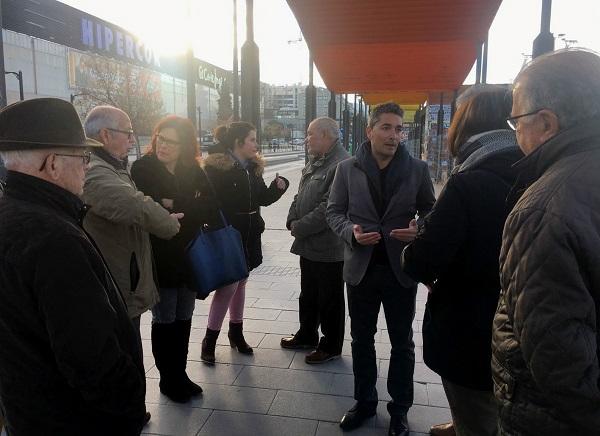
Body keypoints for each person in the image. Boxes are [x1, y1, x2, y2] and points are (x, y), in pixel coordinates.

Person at [0, 98, 147, 435]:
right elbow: (90, 359)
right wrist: (128, 407)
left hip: (29, 409)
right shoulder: (54, 239)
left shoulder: (11, 214)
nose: (87, 166)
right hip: (73, 419)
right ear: (52, 164)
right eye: (82, 157)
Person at [401, 86, 523, 436]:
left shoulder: (468, 181)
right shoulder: (534, 170)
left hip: (469, 321)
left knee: (476, 408)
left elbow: (421, 262)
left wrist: (419, 238)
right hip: (520, 316)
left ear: (465, 124)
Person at [492, 49, 600, 435]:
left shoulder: (542, 208)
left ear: (547, 124)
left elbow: (557, 357)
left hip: (548, 418)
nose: (515, 131)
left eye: (516, 121)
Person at [327, 102, 435, 436]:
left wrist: (420, 229)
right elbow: (334, 212)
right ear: (369, 130)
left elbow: (432, 213)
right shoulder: (347, 169)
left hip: (401, 271)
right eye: (386, 127)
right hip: (361, 270)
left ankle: (399, 410)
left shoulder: (417, 169)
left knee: (402, 342)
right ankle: (364, 402)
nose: (393, 135)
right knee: (362, 340)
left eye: (399, 129)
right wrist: (352, 233)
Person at [131, 116, 222, 403]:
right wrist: (182, 204)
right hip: (161, 257)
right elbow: (149, 211)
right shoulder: (143, 169)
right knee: (165, 318)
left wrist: (174, 203)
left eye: (171, 141)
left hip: (191, 255)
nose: (163, 145)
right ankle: (168, 380)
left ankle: (180, 373)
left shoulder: (192, 169)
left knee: (184, 316)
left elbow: (210, 206)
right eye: (160, 137)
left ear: (184, 146)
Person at [82, 106, 182, 342]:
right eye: (127, 133)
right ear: (106, 135)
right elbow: (135, 204)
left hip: (124, 278)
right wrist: (167, 222)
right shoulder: (95, 170)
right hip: (116, 283)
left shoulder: (112, 165)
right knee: (125, 351)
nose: (132, 139)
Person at [201, 122, 289, 363]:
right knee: (228, 286)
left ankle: (236, 333)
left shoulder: (252, 167)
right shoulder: (216, 169)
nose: (256, 144)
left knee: (241, 283)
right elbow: (208, 202)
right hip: (228, 233)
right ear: (238, 142)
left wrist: (278, 189)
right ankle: (209, 339)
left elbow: (262, 198)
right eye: (252, 139)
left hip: (250, 233)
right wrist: (220, 226)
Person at [280, 117, 349, 363]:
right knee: (308, 294)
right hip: (309, 245)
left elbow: (328, 208)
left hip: (330, 248)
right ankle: (307, 334)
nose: (307, 139)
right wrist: (291, 219)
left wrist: (299, 226)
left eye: (310, 134)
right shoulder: (317, 161)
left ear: (326, 136)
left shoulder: (342, 164)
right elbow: (300, 194)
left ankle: (330, 346)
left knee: (330, 299)